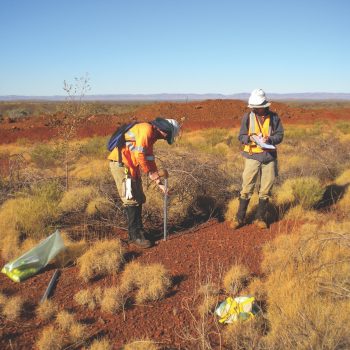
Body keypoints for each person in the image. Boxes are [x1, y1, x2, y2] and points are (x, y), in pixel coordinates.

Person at [108, 117, 180, 248]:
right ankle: (135, 237)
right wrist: (151, 173)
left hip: (131, 167)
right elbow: (140, 155)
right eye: (167, 135)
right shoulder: (147, 130)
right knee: (131, 199)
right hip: (121, 165)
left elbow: (149, 159)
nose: (165, 138)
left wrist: (160, 184)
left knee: (139, 198)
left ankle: (139, 232)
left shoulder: (151, 137)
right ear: (164, 129)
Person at [232, 89, 284, 229]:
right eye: (253, 107)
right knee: (247, 186)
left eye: (257, 107)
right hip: (252, 156)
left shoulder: (274, 117)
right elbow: (241, 136)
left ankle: (260, 218)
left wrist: (270, 139)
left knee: (266, 189)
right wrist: (249, 138)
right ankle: (239, 218)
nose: (255, 109)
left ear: (264, 106)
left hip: (269, 157)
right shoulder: (247, 117)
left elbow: (280, 136)